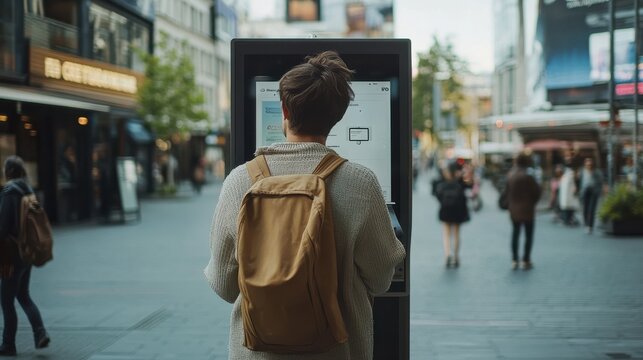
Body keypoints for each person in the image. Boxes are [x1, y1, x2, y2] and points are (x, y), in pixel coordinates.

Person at [203, 51, 406, 359]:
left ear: (284, 109)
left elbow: (224, 285)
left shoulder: (239, 182)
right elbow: (380, 279)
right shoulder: (361, 183)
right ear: (338, 115)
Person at [0, 156, 50, 356]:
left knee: (6, 301)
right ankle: (40, 333)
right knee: (23, 295)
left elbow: (3, 229)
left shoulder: (9, 192)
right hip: (27, 251)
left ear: (8, 172)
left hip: (11, 254)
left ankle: (8, 344)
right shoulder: (29, 191)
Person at [506, 153, 541, 270]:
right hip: (528, 209)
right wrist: (532, 202)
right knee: (528, 235)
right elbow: (537, 192)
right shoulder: (528, 175)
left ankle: (515, 259)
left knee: (515, 234)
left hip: (514, 210)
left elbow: (507, 192)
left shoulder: (510, 175)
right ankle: (526, 259)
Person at [433, 161, 470, 268]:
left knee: (446, 234)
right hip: (458, 210)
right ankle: (456, 256)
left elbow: (437, 193)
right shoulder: (460, 181)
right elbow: (468, 188)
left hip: (445, 209)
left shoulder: (443, 180)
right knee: (457, 234)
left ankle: (447, 254)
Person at [578, 157, 604, 234]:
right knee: (585, 208)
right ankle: (586, 224)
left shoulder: (596, 172)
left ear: (592, 164)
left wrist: (599, 190)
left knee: (591, 209)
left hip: (593, 191)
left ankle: (590, 226)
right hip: (585, 191)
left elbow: (600, 181)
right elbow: (579, 181)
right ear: (585, 164)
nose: (588, 165)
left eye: (590, 164)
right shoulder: (582, 171)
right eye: (587, 164)